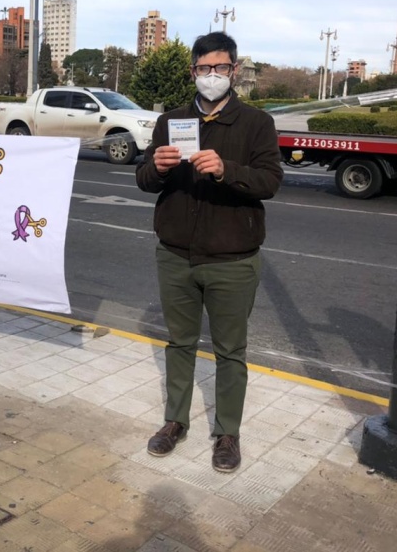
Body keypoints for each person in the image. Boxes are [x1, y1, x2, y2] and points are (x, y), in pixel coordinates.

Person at [135, 32, 283, 473]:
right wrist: (156, 169)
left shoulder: (256, 123)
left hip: (232, 259)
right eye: (204, 69)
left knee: (230, 350)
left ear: (234, 71)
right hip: (176, 254)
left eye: (220, 68)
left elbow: (270, 181)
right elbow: (143, 179)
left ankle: (227, 433)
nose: (212, 76)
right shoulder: (171, 121)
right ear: (193, 71)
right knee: (178, 342)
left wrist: (226, 170)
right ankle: (174, 422)